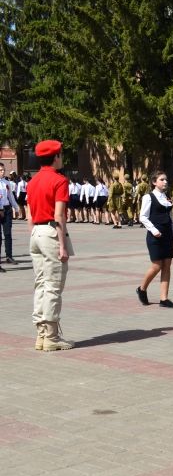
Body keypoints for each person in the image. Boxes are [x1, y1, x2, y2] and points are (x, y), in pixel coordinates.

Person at [27, 140, 75, 351]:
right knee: (54, 286)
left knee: (40, 284)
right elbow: (58, 215)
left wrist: (34, 234)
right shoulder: (59, 180)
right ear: (55, 157)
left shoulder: (32, 181)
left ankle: (41, 335)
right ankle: (52, 337)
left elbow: (29, 212)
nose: (62, 158)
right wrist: (62, 245)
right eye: (61, 154)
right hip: (50, 232)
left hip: (36, 232)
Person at [135, 172, 173, 307]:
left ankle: (164, 298)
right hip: (155, 234)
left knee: (167, 266)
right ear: (154, 182)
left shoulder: (167, 197)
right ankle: (142, 289)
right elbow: (143, 217)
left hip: (168, 235)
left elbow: (171, 218)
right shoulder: (149, 197)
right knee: (157, 265)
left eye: (166, 179)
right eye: (162, 179)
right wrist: (154, 230)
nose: (165, 182)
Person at [0, 163, 18, 270]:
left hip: (7, 210)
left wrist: (16, 208)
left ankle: (9, 256)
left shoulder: (7, 183)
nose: (2, 172)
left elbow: (10, 197)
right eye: (0, 170)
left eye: (3, 170)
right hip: (0, 209)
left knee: (7, 234)